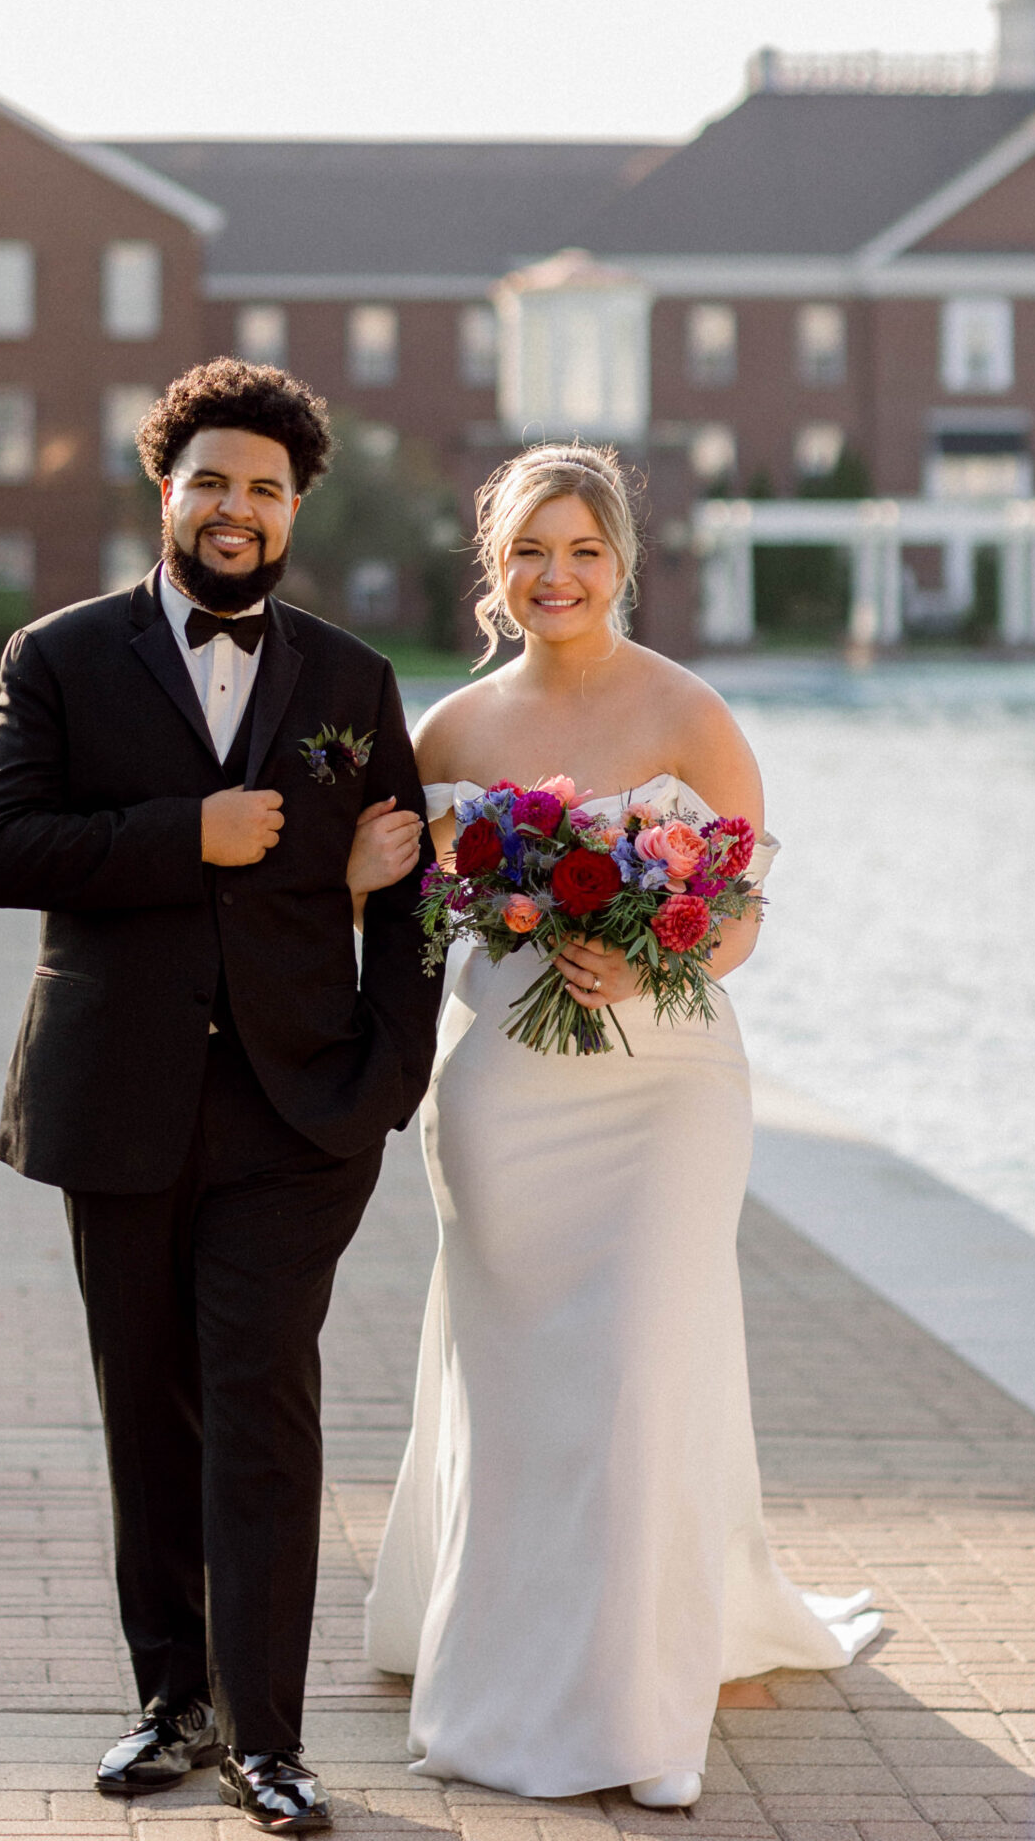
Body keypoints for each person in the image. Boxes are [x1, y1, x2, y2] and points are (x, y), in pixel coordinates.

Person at [359, 443, 881, 1807]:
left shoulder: (688, 712)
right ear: (493, 565)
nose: (556, 575)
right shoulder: (449, 734)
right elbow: (398, 913)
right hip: (500, 1096)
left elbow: (746, 908)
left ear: (621, 565)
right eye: (530, 550)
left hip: (665, 1088)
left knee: (644, 1371)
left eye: (582, 550)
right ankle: (503, 1676)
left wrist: (670, 957)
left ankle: (636, 1713)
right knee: (525, 1386)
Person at [0, 360, 433, 1836]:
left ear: (296, 510)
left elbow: (408, 889)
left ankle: (272, 1740)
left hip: (300, 1116)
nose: (239, 510)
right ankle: (170, 1704)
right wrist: (194, 834)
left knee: (263, 1407)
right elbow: (1, 853)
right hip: (120, 1101)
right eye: (213, 482)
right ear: (165, 490)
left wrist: (383, 1079)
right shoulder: (59, 656)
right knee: (148, 1412)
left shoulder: (351, 678)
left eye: (267, 490)